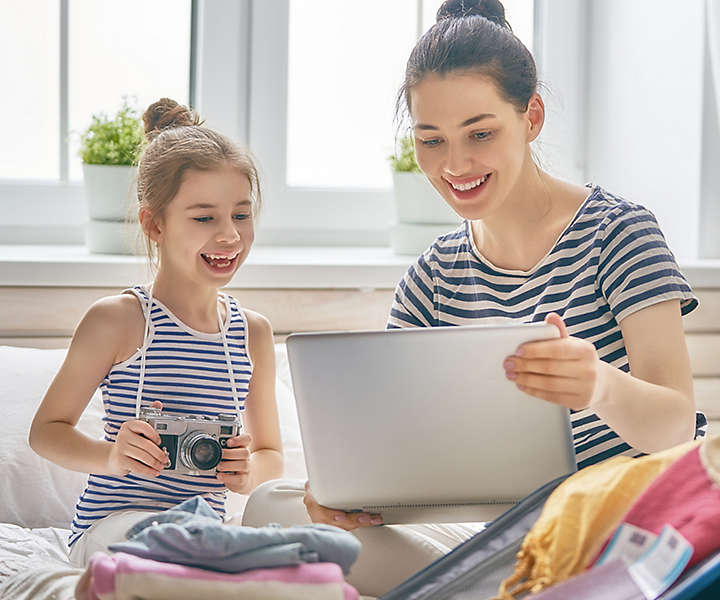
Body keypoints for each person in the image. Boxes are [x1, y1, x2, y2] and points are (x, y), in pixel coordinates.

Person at [242, 0, 705, 595]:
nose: (454, 165)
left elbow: (677, 430)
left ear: (531, 116)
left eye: (480, 134)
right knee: (272, 509)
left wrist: (599, 386)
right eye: (430, 140)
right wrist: (344, 497)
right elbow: (393, 448)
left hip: (604, 528)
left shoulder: (619, 233)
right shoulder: (430, 277)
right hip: (482, 536)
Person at [29, 98, 284, 567]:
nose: (229, 235)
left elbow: (270, 454)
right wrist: (111, 457)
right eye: (204, 217)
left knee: (277, 517)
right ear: (155, 224)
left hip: (201, 533)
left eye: (242, 215)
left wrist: (245, 473)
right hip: (113, 526)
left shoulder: (253, 334)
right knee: (177, 540)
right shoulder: (119, 320)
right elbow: (46, 433)